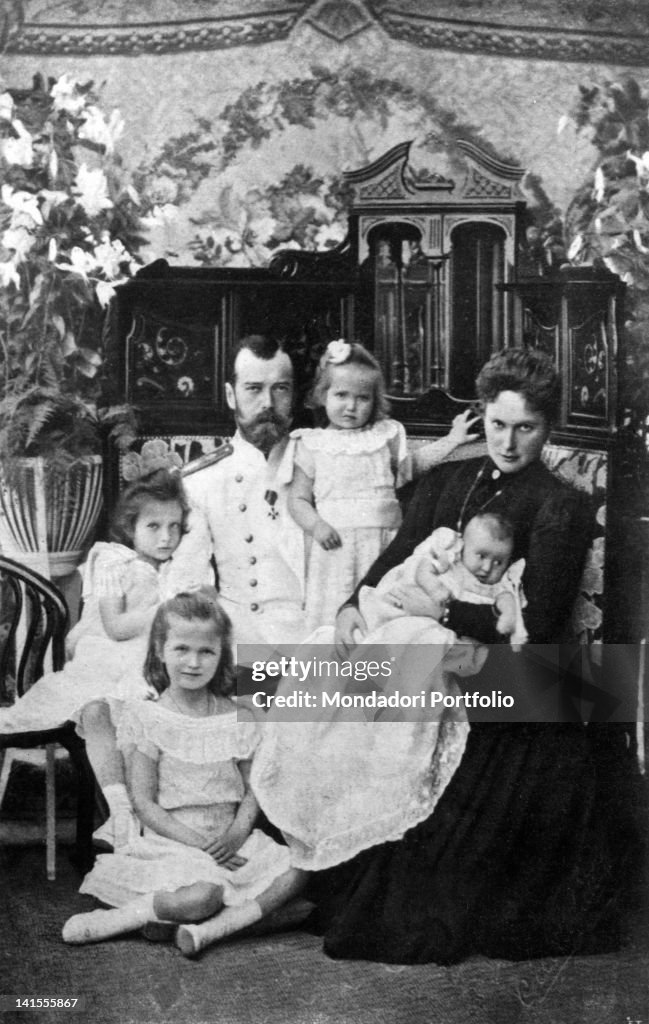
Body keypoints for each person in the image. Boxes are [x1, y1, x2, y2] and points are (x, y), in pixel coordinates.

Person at [298, 346, 643, 964]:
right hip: (431, 651)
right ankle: (301, 868)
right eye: (499, 424)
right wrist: (355, 601)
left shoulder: (556, 505)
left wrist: (443, 613)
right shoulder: (449, 479)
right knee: (313, 678)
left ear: (549, 427)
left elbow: (535, 623)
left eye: (527, 428)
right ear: (483, 414)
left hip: (518, 672)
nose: (509, 443)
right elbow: (398, 551)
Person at [62, 591, 304, 955]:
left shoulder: (235, 715)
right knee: (205, 895)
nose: (193, 662)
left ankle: (208, 931)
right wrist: (199, 844)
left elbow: (255, 785)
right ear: (160, 650)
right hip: (175, 841)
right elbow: (144, 802)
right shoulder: (149, 718)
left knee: (300, 868)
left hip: (230, 839)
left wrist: (238, 831)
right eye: (182, 649)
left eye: (207, 651)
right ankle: (130, 917)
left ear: (222, 654)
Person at [0, 456, 188, 848]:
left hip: (146, 665)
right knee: (98, 710)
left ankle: (146, 815)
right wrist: (168, 608)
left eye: (174, 527)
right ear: (130, 527)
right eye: (153, 526)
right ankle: (120, 810)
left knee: (153, 719)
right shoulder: (113, 559)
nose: (166, 537)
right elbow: (116, 627)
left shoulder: (175, 570)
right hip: (109, 659)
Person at [287, 339, 479, 630]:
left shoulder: (384, 437)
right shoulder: (312, 443)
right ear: (322, 395)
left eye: (362, 398)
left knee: (382, 612)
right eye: (341, 395)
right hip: (335, 548)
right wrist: (316, 526)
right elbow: (297, 499)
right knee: (333, 614)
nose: (351, 406)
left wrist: (452, 441)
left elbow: (410, 468)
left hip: (383, 544)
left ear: (374, 400)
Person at [163, 335, 308, 651]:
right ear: (231, 395)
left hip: (313, 634)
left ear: (293, 394)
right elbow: (188, 583)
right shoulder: (200, 482)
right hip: (241, 638)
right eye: (254, 389)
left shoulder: (322, 466)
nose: (268, 403)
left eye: (280, 388)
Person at [359, 512, 527, 650]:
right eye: (481, 556)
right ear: (463, 546)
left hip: (457, 635)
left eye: (498, 562)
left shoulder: (498, 584)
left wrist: (508, 613)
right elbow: (422, 570)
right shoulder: (449, 562)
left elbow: (506, 598)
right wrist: (434, 588)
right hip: (423, 616)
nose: (487, 567)